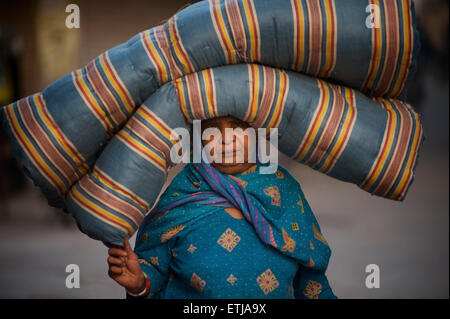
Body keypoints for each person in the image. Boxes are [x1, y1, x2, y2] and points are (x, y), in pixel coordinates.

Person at [107, 115, 336, 299]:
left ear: (256, 131)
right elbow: (152, 272)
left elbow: (312, 282)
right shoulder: (183, 193)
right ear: (199, 137)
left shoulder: (282, 189)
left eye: (238, 125)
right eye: (213, 129)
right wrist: (139, 285)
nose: (226, 139)